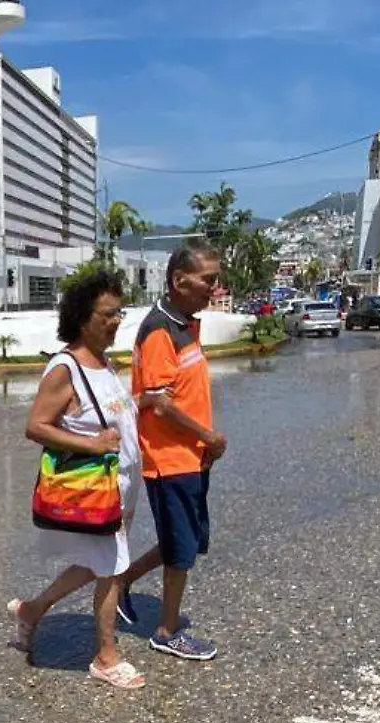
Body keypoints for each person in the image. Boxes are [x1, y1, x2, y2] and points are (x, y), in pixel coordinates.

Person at [9, 268, 146, 690]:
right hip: (94, 488)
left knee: (99, 562)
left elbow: (108, 415)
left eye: (119, 312)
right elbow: (36, 426)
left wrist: (146, 403)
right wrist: (92, 446)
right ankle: (106, 657)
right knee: (111, 569)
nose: (117, 321)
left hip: (120, 487)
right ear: (82, 318)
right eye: (108, 314)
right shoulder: (65, 368)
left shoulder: (103, 363)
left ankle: (32, 610)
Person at [114, 239, 225, 662]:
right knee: (181, 547)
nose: (214, 289)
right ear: (180, 281)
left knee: (187, 540)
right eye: (208, 280)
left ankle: (124, 581)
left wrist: (204, 442)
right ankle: (166, 630)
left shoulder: (183, 322)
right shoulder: (161, 330)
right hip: (170, 459)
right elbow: (158, 402)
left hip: (191, 454)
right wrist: (208, 436)